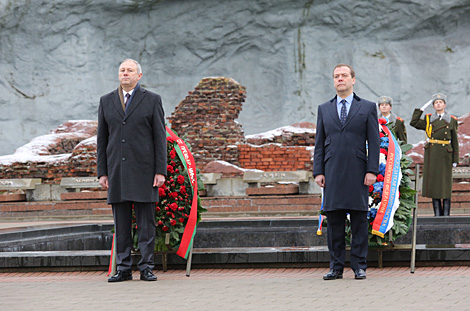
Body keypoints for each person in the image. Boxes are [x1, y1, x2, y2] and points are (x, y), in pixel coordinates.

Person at [97, 59, 167, 282]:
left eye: (130, 70)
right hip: (117, 171)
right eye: (122, 70)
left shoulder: (152, 100)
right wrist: (102, 172)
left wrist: (160, 171)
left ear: (139, 76)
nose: (125, 74)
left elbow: (159, 138)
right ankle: (124, 268)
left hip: (145, 172)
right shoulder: (106, 101)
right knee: (122, 223)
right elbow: (102, 140)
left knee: (146, 224)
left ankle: (146, 267)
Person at [313, 64, 380, 280]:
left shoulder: (368, 107)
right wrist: (318, 172)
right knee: (334, 222)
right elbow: (319, 144)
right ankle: (336, 267)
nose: (340, 79)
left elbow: (375, 142)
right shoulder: (324, 109)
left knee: (359, 220)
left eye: (344, 76)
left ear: (353, 80)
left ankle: (359, 266)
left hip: (359, 172)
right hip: (332, 173)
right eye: (336, 76)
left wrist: (372, 170)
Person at [410, 93, 459, 216]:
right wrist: (421, 110)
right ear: (433, 106)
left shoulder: (451, 120)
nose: (438, 104)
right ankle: (437, 213)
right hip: (432, 154)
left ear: (445, 105)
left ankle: (446, 213)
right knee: (434, 184)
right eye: (435, 103)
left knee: (445, 184)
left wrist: (455, 159)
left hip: (446, 154)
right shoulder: (428, 119)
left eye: (440, 102)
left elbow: (455, 141)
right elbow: (414, 122)